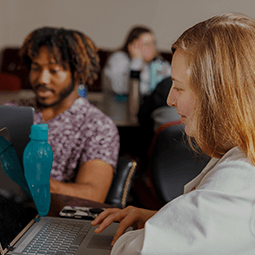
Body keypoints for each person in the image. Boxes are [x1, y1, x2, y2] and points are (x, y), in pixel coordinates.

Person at [91, 13, 255, 254]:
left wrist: (145, 234)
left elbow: (140, 251)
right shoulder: (239, 158)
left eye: (178, 87)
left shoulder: (239, 180)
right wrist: (162, 219)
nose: (169, 99)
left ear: (218, 96)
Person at [4, 27, 120, 203]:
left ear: (78, 73)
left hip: (48, 219)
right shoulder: (11, 111)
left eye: (54, 70)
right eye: (36, 68)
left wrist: (33, 182)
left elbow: (93, 195)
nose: (42, 79)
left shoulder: (97, 126)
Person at [102, 26, 171, 99]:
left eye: (153, 43)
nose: (152, 48)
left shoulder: (157, 63)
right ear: (132, 46)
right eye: (146, 44)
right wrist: (136, 61)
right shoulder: (118, 58)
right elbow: (118, 87)